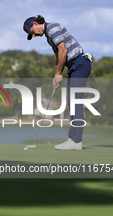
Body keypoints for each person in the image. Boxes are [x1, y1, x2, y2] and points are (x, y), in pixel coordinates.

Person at [23, 15, 92, 150]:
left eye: (32, 32)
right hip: (73, 67)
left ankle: (76, 141)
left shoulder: (53, 28)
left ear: (35, 24)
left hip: (80, 64)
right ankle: (73, 138)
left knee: (75, 101)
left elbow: (63, 50)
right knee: (71, 101)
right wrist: (57, 74)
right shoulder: (49, 36)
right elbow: (58, 56)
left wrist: (58, 73)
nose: (34, 36)